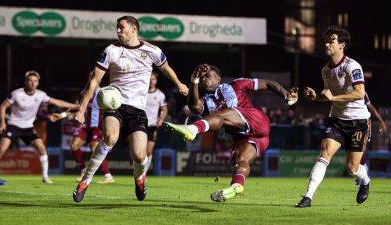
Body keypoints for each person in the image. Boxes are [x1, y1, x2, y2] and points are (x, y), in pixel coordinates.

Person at [72, 15, 188, 203]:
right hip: (114, 105)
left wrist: (179, 83)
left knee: (140, 155)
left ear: (134, 29)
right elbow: (94, 81)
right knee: (110, 137)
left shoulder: (152, 50)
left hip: (137, 110)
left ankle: (139, 179)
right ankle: (85, 181)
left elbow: (166, 68)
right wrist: (81, 109)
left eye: (122, 27)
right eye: (117, 28)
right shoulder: (111, 51)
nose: (118, 31)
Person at [164, 63, 298, 202]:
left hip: (256, 121)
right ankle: (237, 186)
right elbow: (193, 106)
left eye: (207, 76)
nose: (204, 79)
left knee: (221, 115)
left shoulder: (237, 85)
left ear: (218, 78)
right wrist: (194, 80)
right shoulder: (206, 101)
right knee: (241, 161)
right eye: (202, 78)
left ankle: (193, 129)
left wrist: (286, 95)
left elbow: (269, 83)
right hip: (248, 137)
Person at [296, 26, 371, 208]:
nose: (327, 43)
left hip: (359, 121)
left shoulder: (352, 66)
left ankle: (366, 181)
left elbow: (360, 93)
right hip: (337, 120)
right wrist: (316, 97)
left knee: (352, 168)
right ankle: (308, 197)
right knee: (324, 153)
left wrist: (333, 98)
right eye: (326, 40)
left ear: (342, 45)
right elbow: (328, 96)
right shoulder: (325, 71)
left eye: (332, 41)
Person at [0, 70, 79, 185]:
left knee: (42, 148)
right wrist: (3, 122)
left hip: (28, 127)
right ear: (26, 82)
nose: (32, 83)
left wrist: (74, 106)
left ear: (38, 83)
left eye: (35, 81)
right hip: (13, 125)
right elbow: (3, 106)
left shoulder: (40, 94)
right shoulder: (16, 93)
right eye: (30, 81)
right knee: (2, 149)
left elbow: (56, 102)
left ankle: (45, 177)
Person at [49, 87, 114, 184]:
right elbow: (77, 107)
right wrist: (62, 115)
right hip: (84, 126)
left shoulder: (103, 93)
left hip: (96, 126)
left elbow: (110, 107)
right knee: (74, 146)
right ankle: (83, 170)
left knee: (94, 149)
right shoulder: (83, 93)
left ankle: (108, 175)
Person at [353, 92, 388, 186]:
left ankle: (362, 176)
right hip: (351, 123)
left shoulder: (362, 92)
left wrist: (381, 122)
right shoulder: (343, 91)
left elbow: (371, 107)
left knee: (362, 150)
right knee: (353, 151)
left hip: (364, 123)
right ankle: (361, 173)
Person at [145, 71, 168, 171]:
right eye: (149, 79)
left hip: (152, 126)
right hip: (140, 124)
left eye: (153, 79)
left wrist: (161, 119)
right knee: (139, 150)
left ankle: (143, 173)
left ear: (156, 81)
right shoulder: (141, 93)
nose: (151, 81)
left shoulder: (160, 95)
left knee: (149, 151)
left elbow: (164, 109)